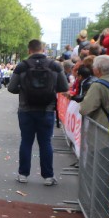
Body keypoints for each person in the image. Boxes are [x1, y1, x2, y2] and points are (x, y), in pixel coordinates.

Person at [7, 39, 67, 185]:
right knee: (45, 142)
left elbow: (11, 88)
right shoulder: (54, 65)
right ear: (43, 50)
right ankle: (48, 176)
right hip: (47, 109)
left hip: (26, 109)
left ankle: (23, 174)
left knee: (26, 141)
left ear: (29, 50)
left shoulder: (22, 66)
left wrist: (24, 89)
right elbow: (64, 87)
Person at [78, 55, 109, 128]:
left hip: (103, 126)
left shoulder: (97, 85)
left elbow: (85, 109)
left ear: (98, 69)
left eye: (93, 67)